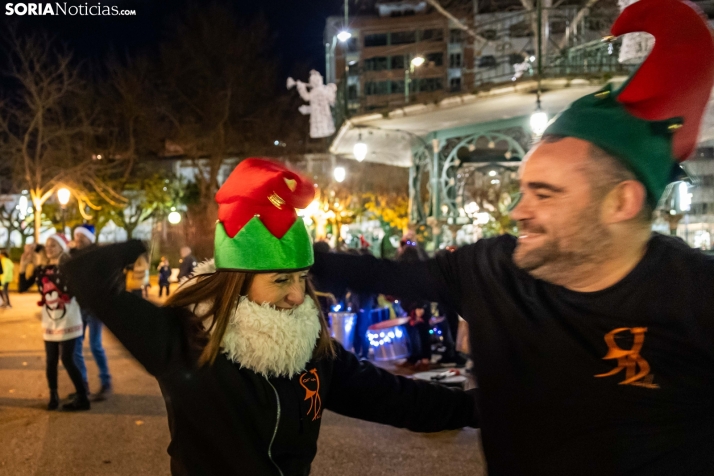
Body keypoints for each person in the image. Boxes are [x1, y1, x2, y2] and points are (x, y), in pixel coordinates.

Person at [311, 1, 714, 474]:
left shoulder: (694, 298)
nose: (517, 211)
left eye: (544, 194)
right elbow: (369, 272)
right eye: (522, 189)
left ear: (620, 203)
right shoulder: (492, 269)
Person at [62, 158, 478, 476]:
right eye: (280, 279)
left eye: (302, 276)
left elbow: (391, 397)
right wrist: (134, 242)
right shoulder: (184, 340)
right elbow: (84, 273)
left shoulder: (310, 344)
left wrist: (481, 408)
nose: (298, 295)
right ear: (238, 280)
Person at [20, 234, 89, 411]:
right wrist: (23, 263)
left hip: (69, 320)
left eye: (53, 245)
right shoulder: (42, 270)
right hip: (50, 322)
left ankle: (83, 397)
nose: (49, 248)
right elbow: (22, 287)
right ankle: (53, 395)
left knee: (67, 359)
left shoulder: (70, 268)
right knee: (51, 360)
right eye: (47, 246)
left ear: (61, 247)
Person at [71, 224, 113, 401]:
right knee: (75, 346)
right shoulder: (72, 255)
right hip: (79, 307)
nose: (79, 239)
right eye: (77, 236)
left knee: (95, 345)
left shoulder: (98, 254)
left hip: (95, 308)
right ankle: (83, 385)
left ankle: (106, 383)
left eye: (83, 236)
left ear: (90, 238)